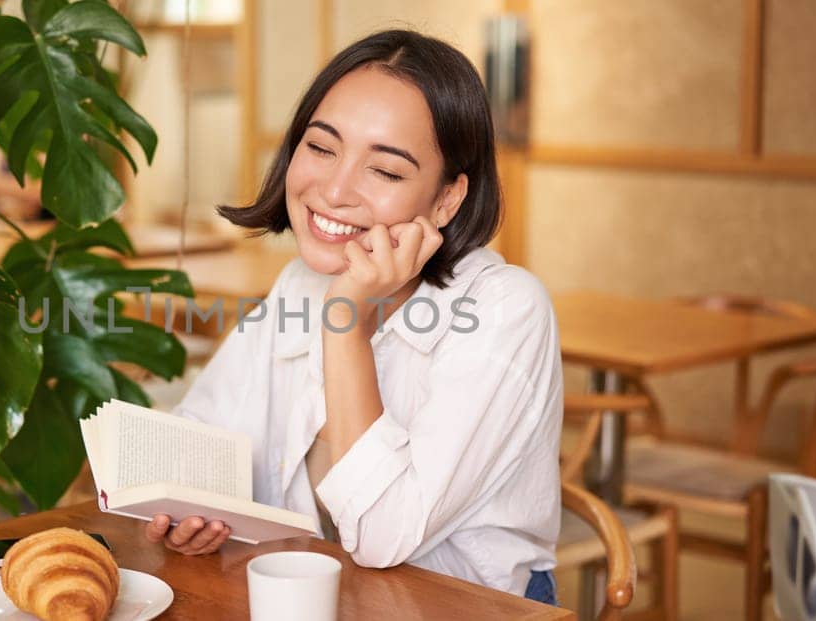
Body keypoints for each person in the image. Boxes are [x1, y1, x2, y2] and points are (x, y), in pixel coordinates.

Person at [140, 29, 563, 604]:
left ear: (446, 199)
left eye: (385, 171)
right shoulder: (300, 282)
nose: (335, 190)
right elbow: (204, 433)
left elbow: (382, 538)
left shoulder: (507, 310)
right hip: (319, 598)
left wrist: (345, 321)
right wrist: (194, 508)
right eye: (321, 147)